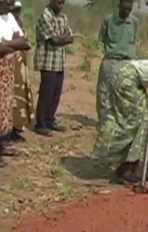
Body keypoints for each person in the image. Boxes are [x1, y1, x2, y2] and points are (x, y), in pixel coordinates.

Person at [34, 0, 77, 137]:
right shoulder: (45, 16)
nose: (61, 2)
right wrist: (62, 38)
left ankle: (50, 120)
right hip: (47, 62)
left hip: (59, 62)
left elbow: (71, 38)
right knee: (46, 94)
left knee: (56, 94)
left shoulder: (63, 17)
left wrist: (61, 38)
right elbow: (54, 40)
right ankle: (40, 123)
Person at [97, 0, 138, 125]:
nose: (128, 7)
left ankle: (121, 122)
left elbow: (134, 41)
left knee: (126, 94)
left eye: (130, 4)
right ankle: (104, 121)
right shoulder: (108, 21)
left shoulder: (134, 22)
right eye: (125, 3)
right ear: (119, 4)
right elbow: (101, 40)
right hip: (111, 61)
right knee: (104, 94)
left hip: (127, 62)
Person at [0, 0, 30, 166]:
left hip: (7, 69)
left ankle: (1, 146)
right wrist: (13, 45)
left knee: (4, 109)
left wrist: (6, 45)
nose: (10, 2)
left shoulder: (10, 17)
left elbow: (24, 41)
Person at [9, 0, 34, 142]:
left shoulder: (18, 23)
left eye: (18, 9)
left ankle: (16, 128)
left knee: (19, 97)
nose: (16, 12)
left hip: (20, 66)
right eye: (14, 9)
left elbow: (25, 42)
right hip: (10, 65)